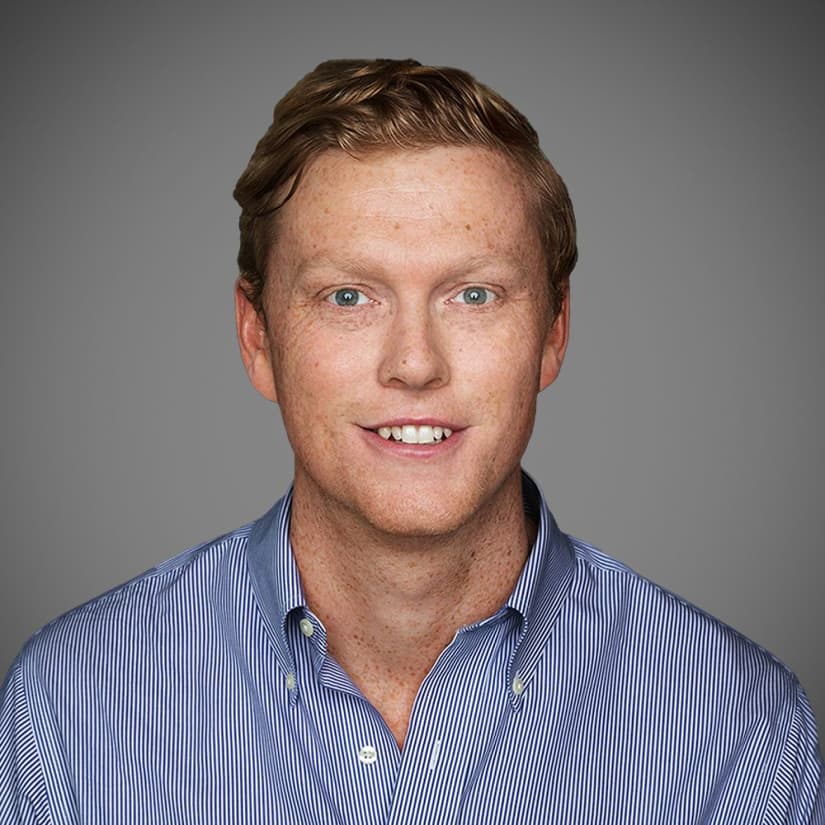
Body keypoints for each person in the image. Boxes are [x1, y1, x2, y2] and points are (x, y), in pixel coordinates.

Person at [1, 58, 822, 824]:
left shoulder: (737, 731)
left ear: (553, 331)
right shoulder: (71, 709)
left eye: (474, 294)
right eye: (348, 296)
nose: (416, 363)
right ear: (257, 338)